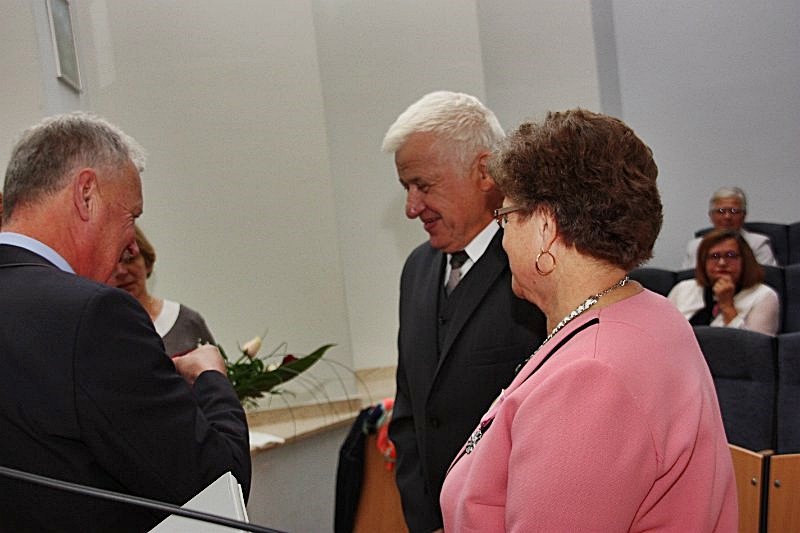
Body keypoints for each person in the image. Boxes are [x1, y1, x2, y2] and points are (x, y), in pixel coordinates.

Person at [440, 109, 737, 531]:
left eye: (505, 218)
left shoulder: (592, 375)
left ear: (545, 227)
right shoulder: (648, 311)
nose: (503, 239)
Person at [0, 112, 250, 531]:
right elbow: (216, 487)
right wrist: (211, 378)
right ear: (86, 194)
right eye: (131, 216)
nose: (131, 242)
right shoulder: (94, 315)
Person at [381, 91, 546, 532]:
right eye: (406, 188)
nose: (411, 208)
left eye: (423, 185)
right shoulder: (417, 269)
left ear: (485, 171)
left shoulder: (535, 266)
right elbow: (410, 415)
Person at [112, 224, 216, 354]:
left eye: (129, 259)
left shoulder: (186, 322)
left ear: (147, 262)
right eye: (113, 263)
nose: (122, 272)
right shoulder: (95, 329)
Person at [669, 228, 779, 335]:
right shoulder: (682, 289)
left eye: (730, 255)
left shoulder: (764, 296)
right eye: (714, 256)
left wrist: (727, 306)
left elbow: (755, 345)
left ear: (745, 260)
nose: (722, 263)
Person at [682, 186, 777, 268]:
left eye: (734, 211)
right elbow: (687, 279)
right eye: (721, 211)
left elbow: (768, 278)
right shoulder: (695, 246)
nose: (727, 217)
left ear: (744, 215)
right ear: (711, 216)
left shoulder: (758, 244)